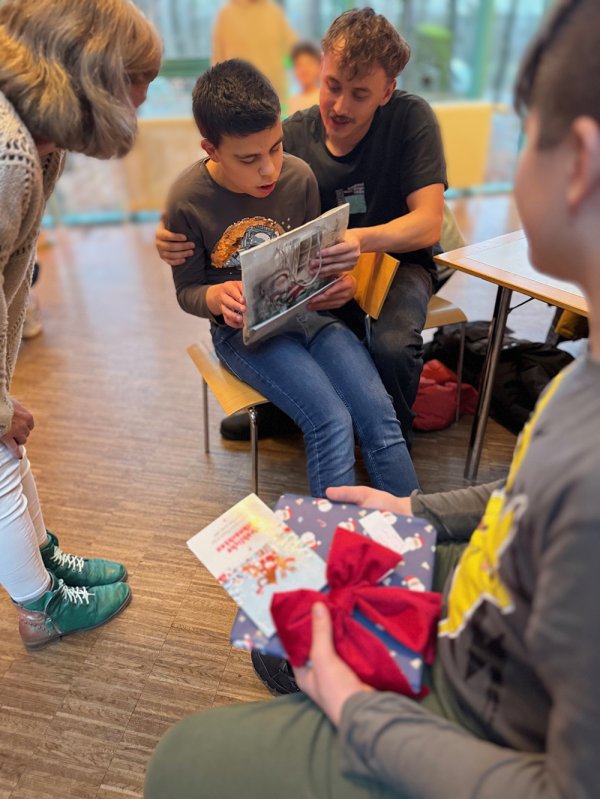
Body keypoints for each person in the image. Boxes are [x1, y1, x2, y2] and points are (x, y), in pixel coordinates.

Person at [145, 1, 600, 796]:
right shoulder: (577, 390)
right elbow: (523, 494)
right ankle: (360, 571)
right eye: (328, 89)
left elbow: (563, 779)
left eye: (524, 132)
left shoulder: (325, 159)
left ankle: (353, 599)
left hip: (467, 698)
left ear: (580, 164)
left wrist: (356, 708)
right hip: (273, 335)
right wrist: (419, 517)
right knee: (338, 419)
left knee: (183, 761)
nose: (332, 108)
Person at [157, 8, 446, 449]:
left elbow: (428, 224)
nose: (340, 106)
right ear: (320, 66)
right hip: (324, 269)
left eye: (360, 94)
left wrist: (358, 241)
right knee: (313, 331)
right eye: (332, 86)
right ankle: (292, 408)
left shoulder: (412, 118)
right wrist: (175, 233)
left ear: (387, 91)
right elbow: (225, 172)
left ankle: (389, 440)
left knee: (389, 347)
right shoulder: (289, 135)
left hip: (394, 260)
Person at [0, 0, 161, 649]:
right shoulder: (9, 155)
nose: (142, 102)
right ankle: (40, 606)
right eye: (137, 85)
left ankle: (43, 559)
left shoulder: (38, 136)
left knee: (11, 449)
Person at [212, 0, 297, 102]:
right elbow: (218, 60)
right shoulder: (226, 15)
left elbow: (293, 50)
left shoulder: (273, 12)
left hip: (275, 95)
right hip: (240, 96)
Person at [287, 40, 321, 116]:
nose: (304, 70)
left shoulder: (323, 98)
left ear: (319, 66)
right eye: (299, 65)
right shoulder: (292, 102)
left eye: (309, 64)